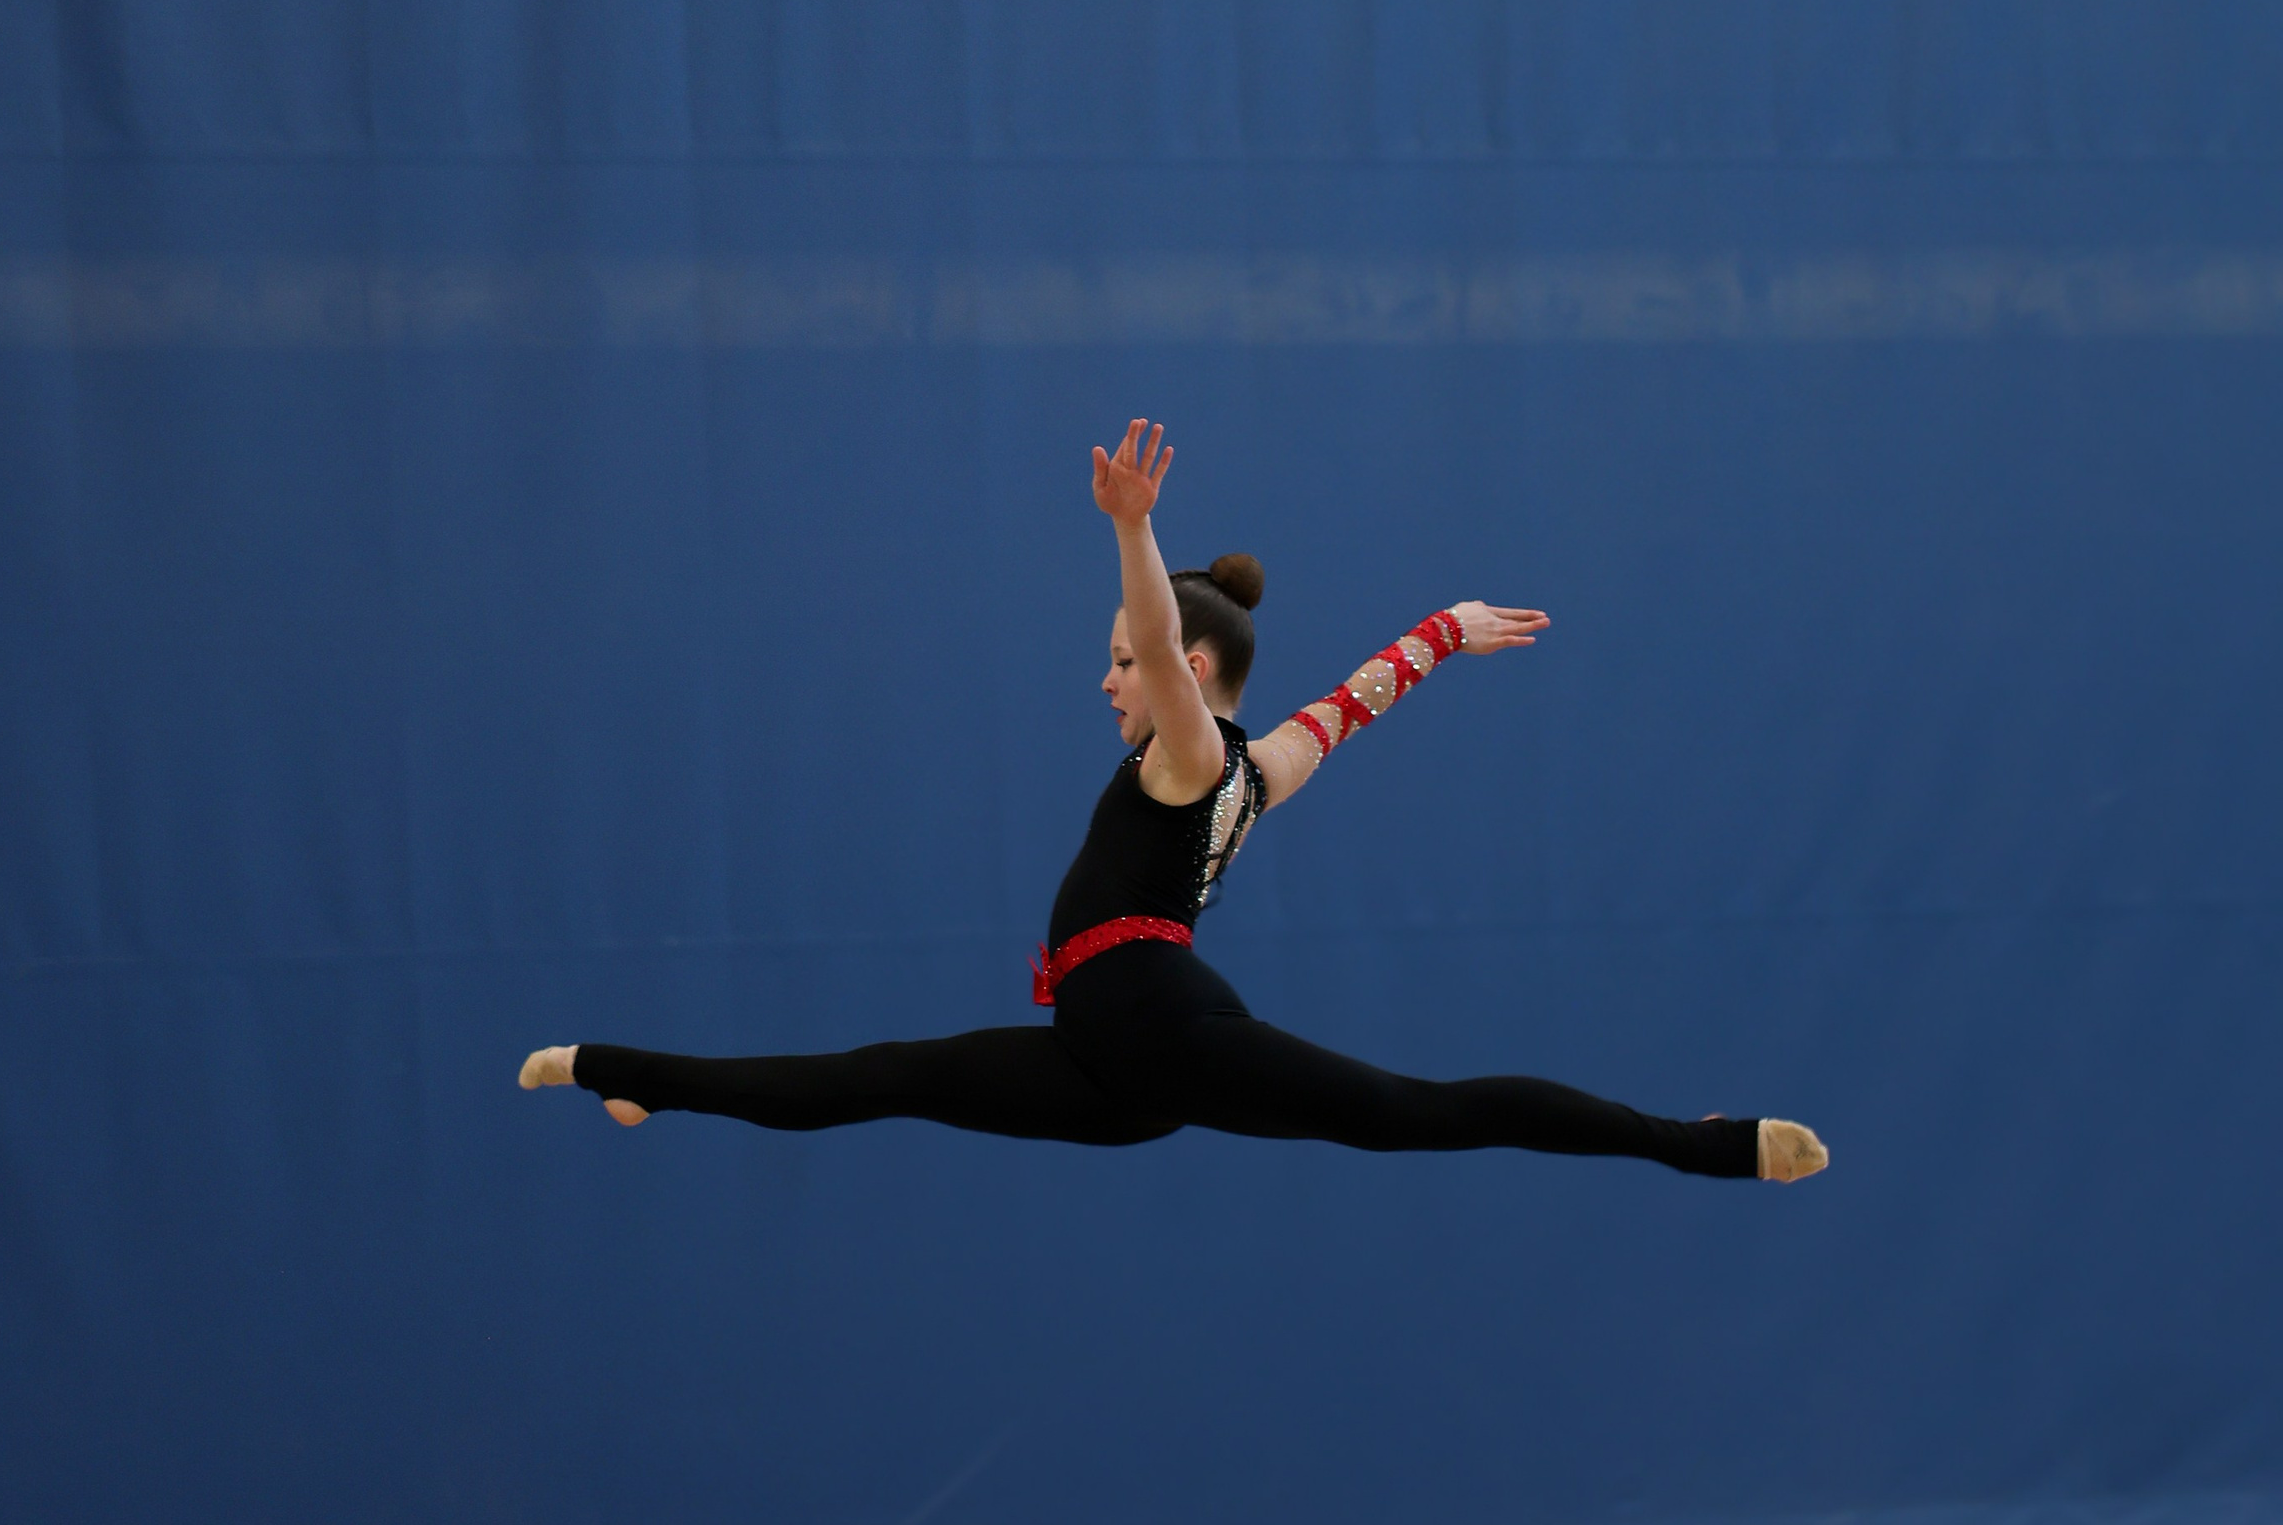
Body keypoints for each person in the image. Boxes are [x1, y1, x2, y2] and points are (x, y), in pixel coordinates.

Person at [520, 421, 1828, 1185]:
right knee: (886, 1077)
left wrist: (1133, 529)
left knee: (1417, 1114)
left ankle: (1702, 1144)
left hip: (1161, 1031)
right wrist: (1442, 630)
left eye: (1122, 663)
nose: (1107, 681)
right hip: (1113, 1065)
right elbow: (1351, 704)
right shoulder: (1259, 764)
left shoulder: (1189, 757)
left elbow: (1156, 631)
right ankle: (631, 1077)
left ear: (1187, 673)